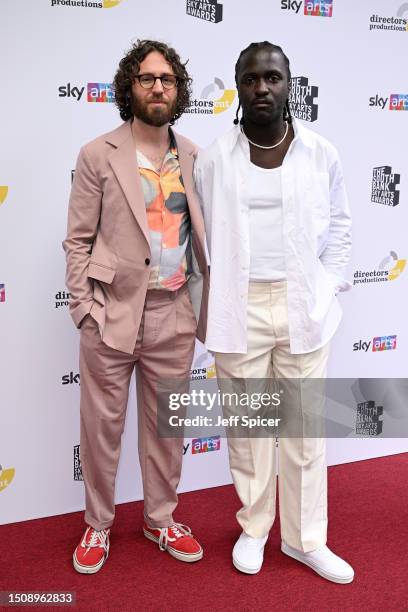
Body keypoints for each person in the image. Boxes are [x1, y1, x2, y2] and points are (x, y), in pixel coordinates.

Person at [194, 41, 354, 583]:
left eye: (272, 77)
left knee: (307, 431)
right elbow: (199, 242)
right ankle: (256, 527)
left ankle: (306, 539)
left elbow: (341, 229)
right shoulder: (214, 159)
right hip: (239, 309)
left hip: (304, 307)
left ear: (289, 84)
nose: (262, 87)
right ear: (237, 86)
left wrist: (327, 287)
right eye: (250, 78)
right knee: (250, 431)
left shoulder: (320, 153)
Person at [63, 39, 209, 574]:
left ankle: (160, 518)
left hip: (174, 311)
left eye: (167, 80)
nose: (157, 88)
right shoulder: (98, 153)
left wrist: (199, 311)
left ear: (178, 90)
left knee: (168, 428)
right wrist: (85, 310)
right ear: (131, 87)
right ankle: (98, 525)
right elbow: (77, 240)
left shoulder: (195, 155)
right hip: (111, 313)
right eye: (147, 78)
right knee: (101, 429)